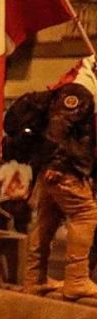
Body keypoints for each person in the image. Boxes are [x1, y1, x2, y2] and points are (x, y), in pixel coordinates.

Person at [18, 82, 97, 299]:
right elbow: (58, 126)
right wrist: (57, 164)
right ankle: (77, 280)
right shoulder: (79, 93)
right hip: (64, 169)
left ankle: (36, 279)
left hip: (54, 168)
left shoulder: (77, 93)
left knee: (47, 220)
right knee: (85, 215)